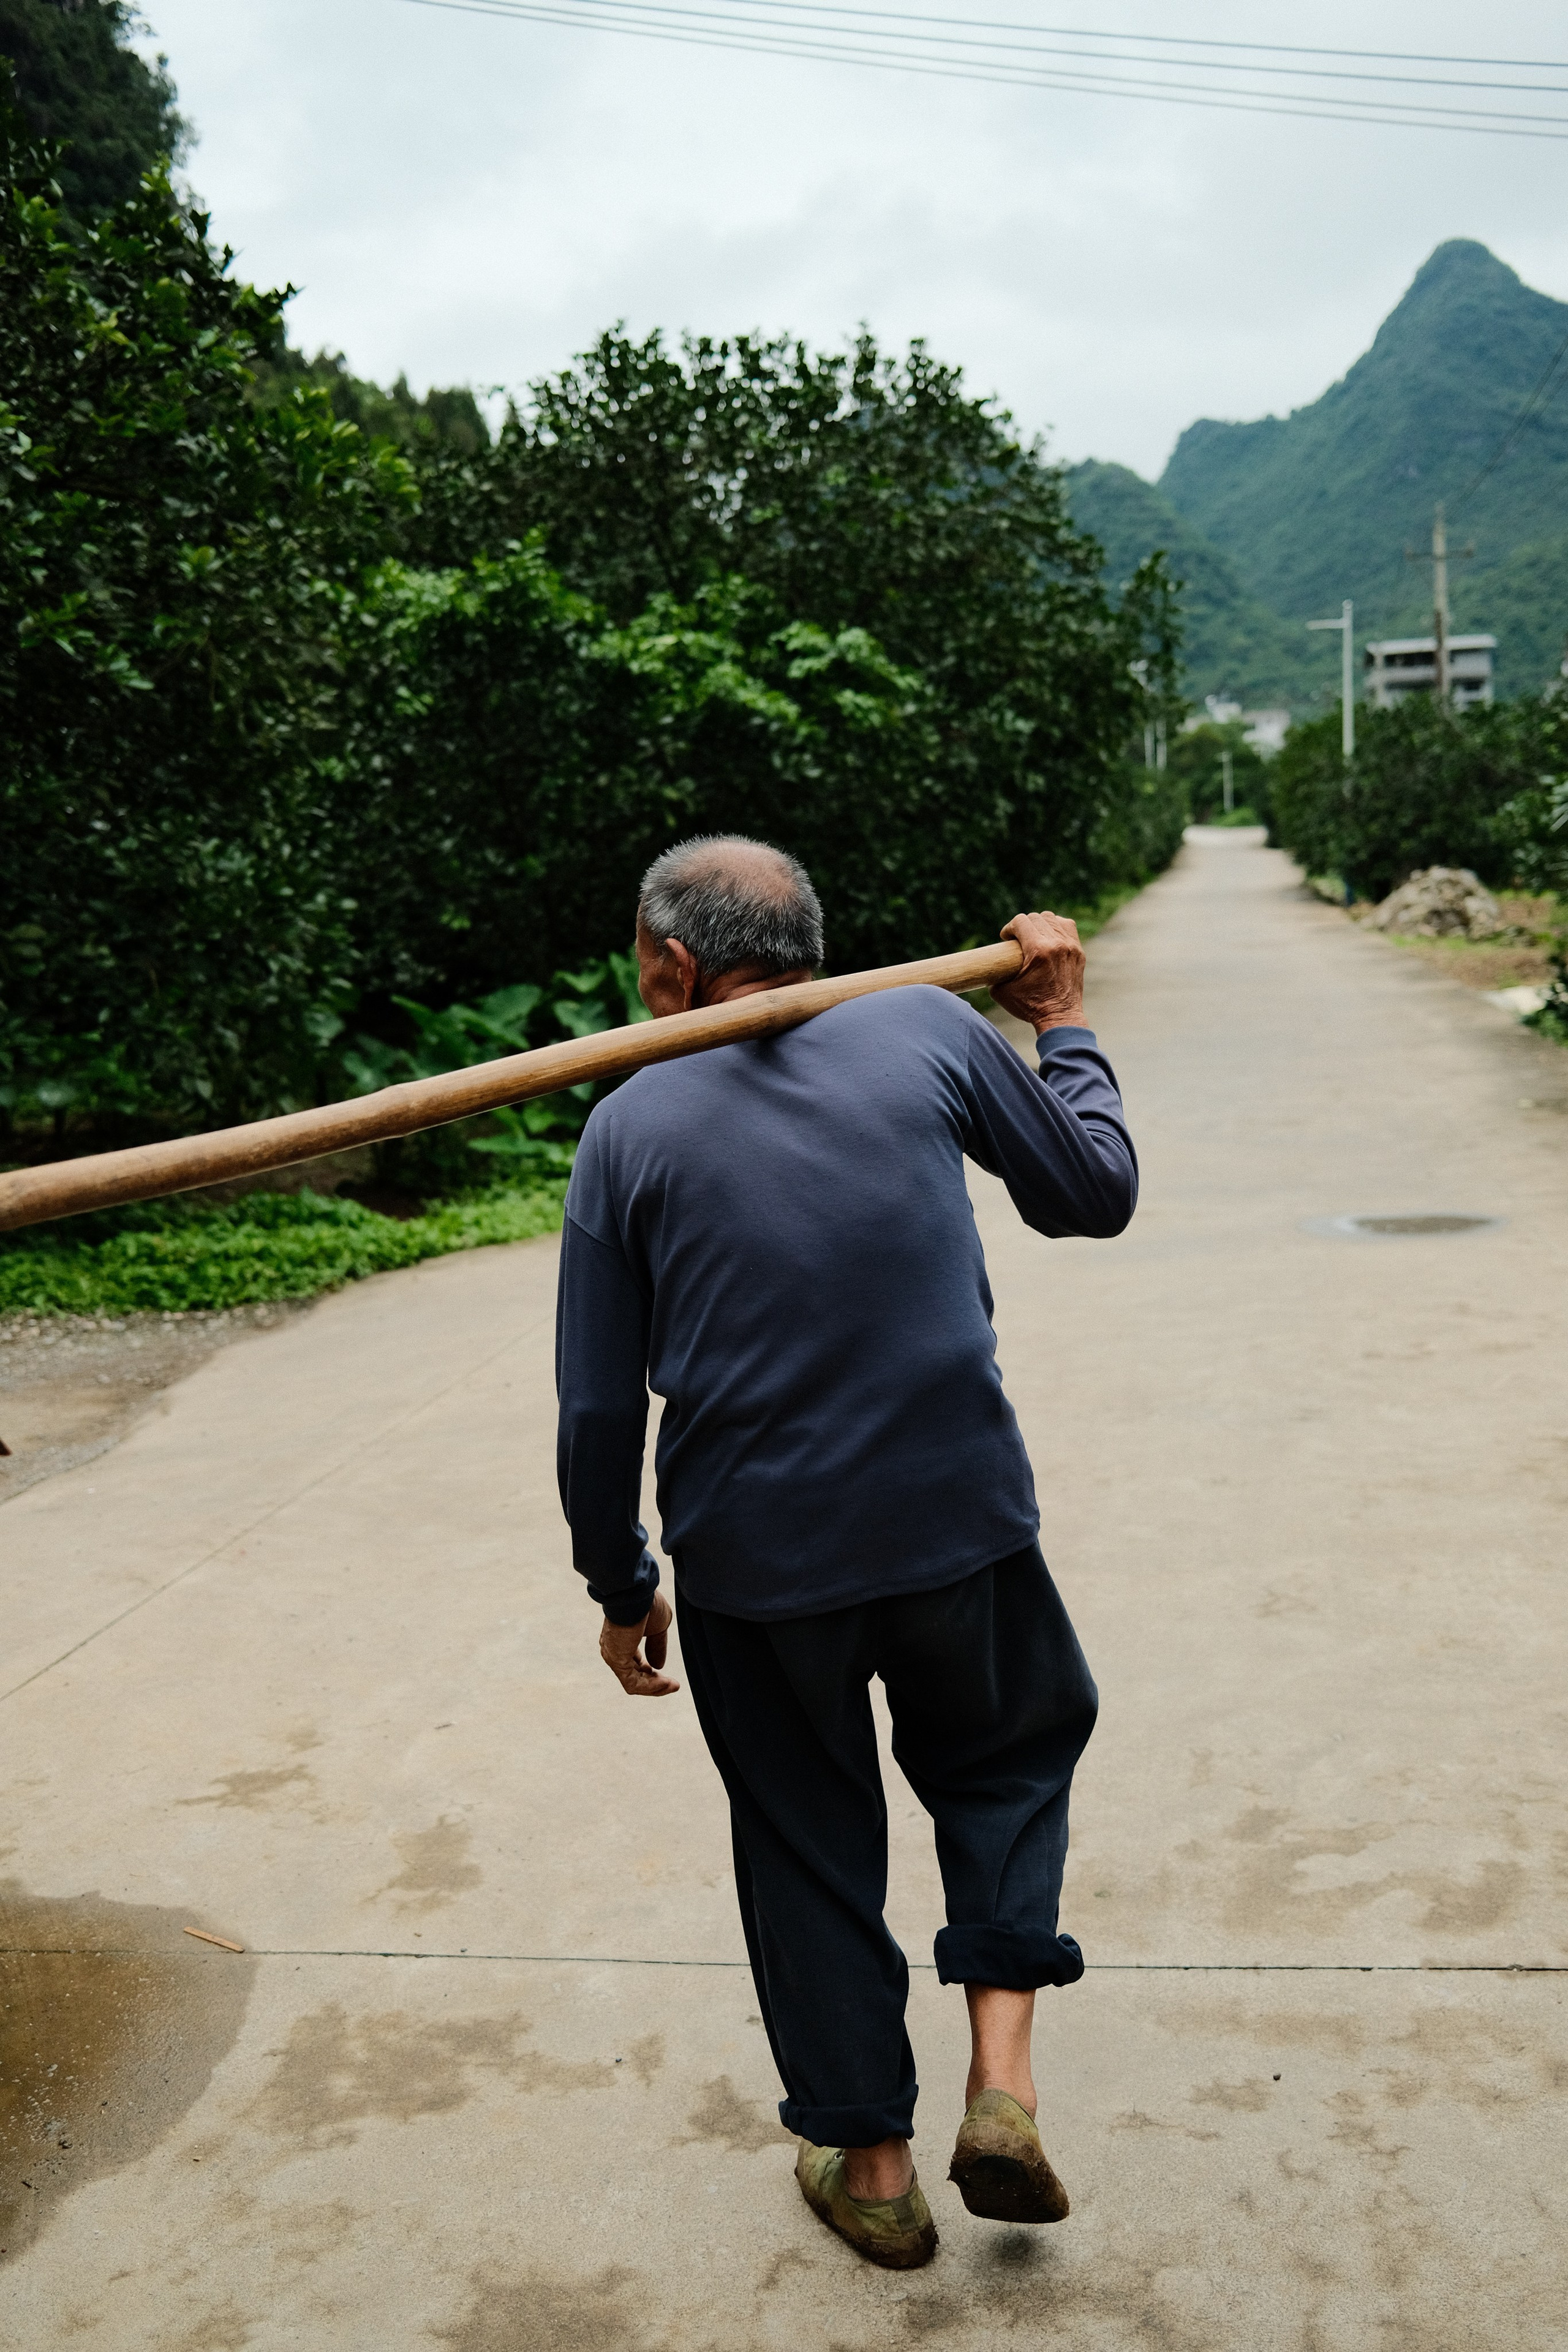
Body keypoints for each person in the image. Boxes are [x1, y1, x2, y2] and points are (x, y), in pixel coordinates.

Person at [555, 834, 1137, 2270]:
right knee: (1002, 1767)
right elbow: (1092, 1188)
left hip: (760, 1567)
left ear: (675, 967)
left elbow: (592, 1405)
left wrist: (619, 1581)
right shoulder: (930, 1027)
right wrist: (1062, 1028)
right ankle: (1001, 2081)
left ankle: (870, 2165)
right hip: (958, 1524)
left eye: (642, 970)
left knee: (807, 1844)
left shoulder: (627, 1127)